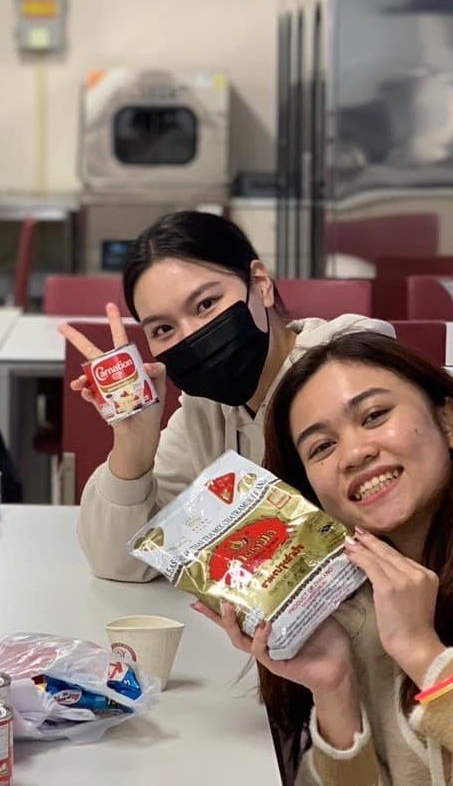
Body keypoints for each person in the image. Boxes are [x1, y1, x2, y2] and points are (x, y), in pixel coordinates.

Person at [64, 211, 392, 581]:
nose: (192, 335)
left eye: (206, 304)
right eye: (164, 329)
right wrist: (133, 443)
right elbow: (121, 560)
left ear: (261, 284)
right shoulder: (206, 410)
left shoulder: (348, 368)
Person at [197, 332, 453, 785]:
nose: (354, 454)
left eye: (374, 416)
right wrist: (335, 691)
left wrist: (422, 652)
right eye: (322, 447)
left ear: (447, 419)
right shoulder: (351, 611)